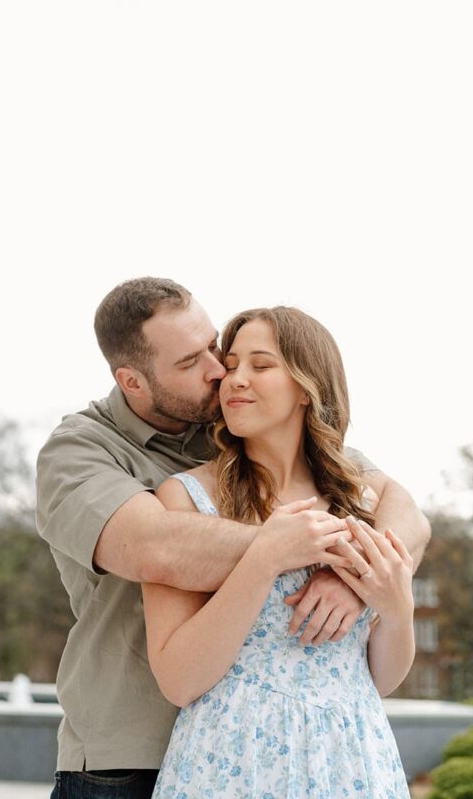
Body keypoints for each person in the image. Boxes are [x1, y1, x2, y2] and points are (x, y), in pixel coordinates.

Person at [36, 278, 429, 799]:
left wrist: (357, 580)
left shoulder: (243, 424)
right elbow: (157, 548)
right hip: (133, 757)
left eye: (213, 345)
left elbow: (404, 512)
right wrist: (298, 546)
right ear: (132, 381)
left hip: (332, 756)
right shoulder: (80, 451)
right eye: (189, 362)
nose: (220, 370)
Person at [143, 306, 414, 798]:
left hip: (351, 761)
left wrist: (397, 611)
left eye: (260, 365)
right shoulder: (184, 499)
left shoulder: (364, 501)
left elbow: (381, 679)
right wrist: (265, 557)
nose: (234, 380)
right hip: (230, 764)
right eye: (231, 364)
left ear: (307, 389)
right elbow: (178, 681)